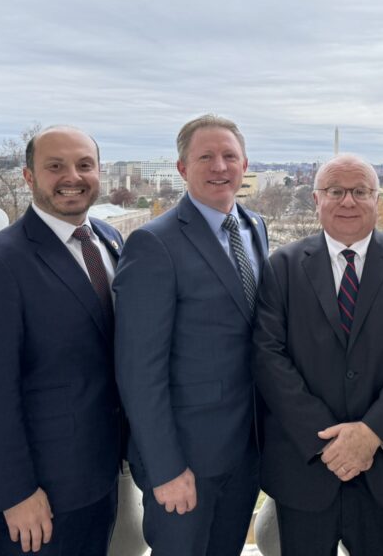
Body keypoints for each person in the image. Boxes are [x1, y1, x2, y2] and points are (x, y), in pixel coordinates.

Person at [253, 153, 383, 556]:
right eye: (335, 191)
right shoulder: (281, 266)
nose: (348, 201)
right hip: (304, 465)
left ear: (378, 199)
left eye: (360, 191)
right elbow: (269, 357)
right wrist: (326, 441)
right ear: (316, 199)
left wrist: (371, 433)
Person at [0, 126, 124, 555]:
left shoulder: (108, 241)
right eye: (55, 166)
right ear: (29, 177)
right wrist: (13, 493)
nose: (72, 177)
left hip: (100, 478)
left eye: (85, 165)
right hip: (38, 500)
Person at [114, 114, 267, 556]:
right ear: (182, 168)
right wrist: (165, 468)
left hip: (246, 451)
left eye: (229, 156)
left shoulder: (253, 228)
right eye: (206, 157)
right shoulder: (153, 244)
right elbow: (138, 370)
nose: (220, 166)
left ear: (244, 165)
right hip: (185, 463)